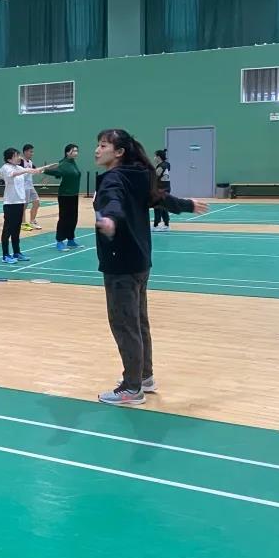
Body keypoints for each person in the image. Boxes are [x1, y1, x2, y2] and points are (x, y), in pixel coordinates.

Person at [93, 129, 208, 406]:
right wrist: (187, 205)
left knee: (124, 325)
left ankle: (132, 388)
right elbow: (160, 198)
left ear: (119, 152)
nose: (97, 150)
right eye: (98, 145)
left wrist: (110, 218)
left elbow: (113, 201)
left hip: (121, 263)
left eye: (103, 145)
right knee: (138, 321)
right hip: (140, 261)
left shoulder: (113, 178)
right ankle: (144, 376)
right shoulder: (139, 175)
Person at [0, 148, 55, 264]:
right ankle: (5, 255)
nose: (19, 157)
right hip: (10, 203)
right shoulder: (5, 168)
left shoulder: (19, 168)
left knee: (16, 229)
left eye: (19, 155)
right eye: (16, 156)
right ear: (9, 159)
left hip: (20, 202)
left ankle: (17, 252)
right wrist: (26, 170)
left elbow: (32, 171)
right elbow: (13, 174)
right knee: (7, 229)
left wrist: (43, 168)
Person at [44, 143, 84, 250]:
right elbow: (55, 172)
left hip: (74, 195)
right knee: (64, 218)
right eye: (74, 151)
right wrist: (44, 170)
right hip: (65, 195)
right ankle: (60, 241)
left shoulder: (72, 162)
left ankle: (71, 240)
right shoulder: (63, 164)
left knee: (73, 218)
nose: (76, 153)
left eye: (77, 151)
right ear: (67, 152)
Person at [21, 143, 41, 230]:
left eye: (32, 152)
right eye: (30, 152)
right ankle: (23, 223)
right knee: (24, 206)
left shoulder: (30, 162)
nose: (32, 154)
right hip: (23, 187)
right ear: (25, 152)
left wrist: (41, 170)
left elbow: (35, 170)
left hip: (30, 186)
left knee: (37, 202)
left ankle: (32, 221)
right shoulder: (20, 162)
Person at [153, 149, 173, 231]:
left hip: (161, 189)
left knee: (157, 206)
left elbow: (155, 176)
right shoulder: (167, 164)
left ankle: (156, 225)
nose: (154, 158)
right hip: (167, 188)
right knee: (164, 206)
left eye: (155, 156)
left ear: (158, 157)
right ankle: (166, 225)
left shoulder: (161, 166)